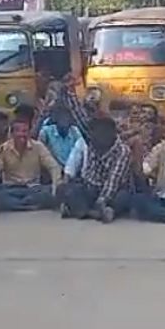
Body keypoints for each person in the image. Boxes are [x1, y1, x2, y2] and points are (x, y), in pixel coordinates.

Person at [56, 78, 132, 223]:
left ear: (112, 133)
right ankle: (94, 213)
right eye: (95, 131)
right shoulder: (92, 139)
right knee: (66, 189)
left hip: (113, 192)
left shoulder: (122, 151)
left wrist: (102, 201)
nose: (98, 135)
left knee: (124, 197)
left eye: (103, 131)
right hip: (90, 188)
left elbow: (113, 182)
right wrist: (67, 92)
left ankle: (84, 211)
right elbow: (78, 115)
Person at [0, 119, 62, 211]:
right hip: (11, 189)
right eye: (18, 131)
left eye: (25, 131)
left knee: (47, 193)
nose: (22, 134)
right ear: (11, 134)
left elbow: (54, 167)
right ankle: (28, 205)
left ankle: (18, 206)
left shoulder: (38, 146)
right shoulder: (3, 148)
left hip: (34, 188)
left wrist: (56, 187)